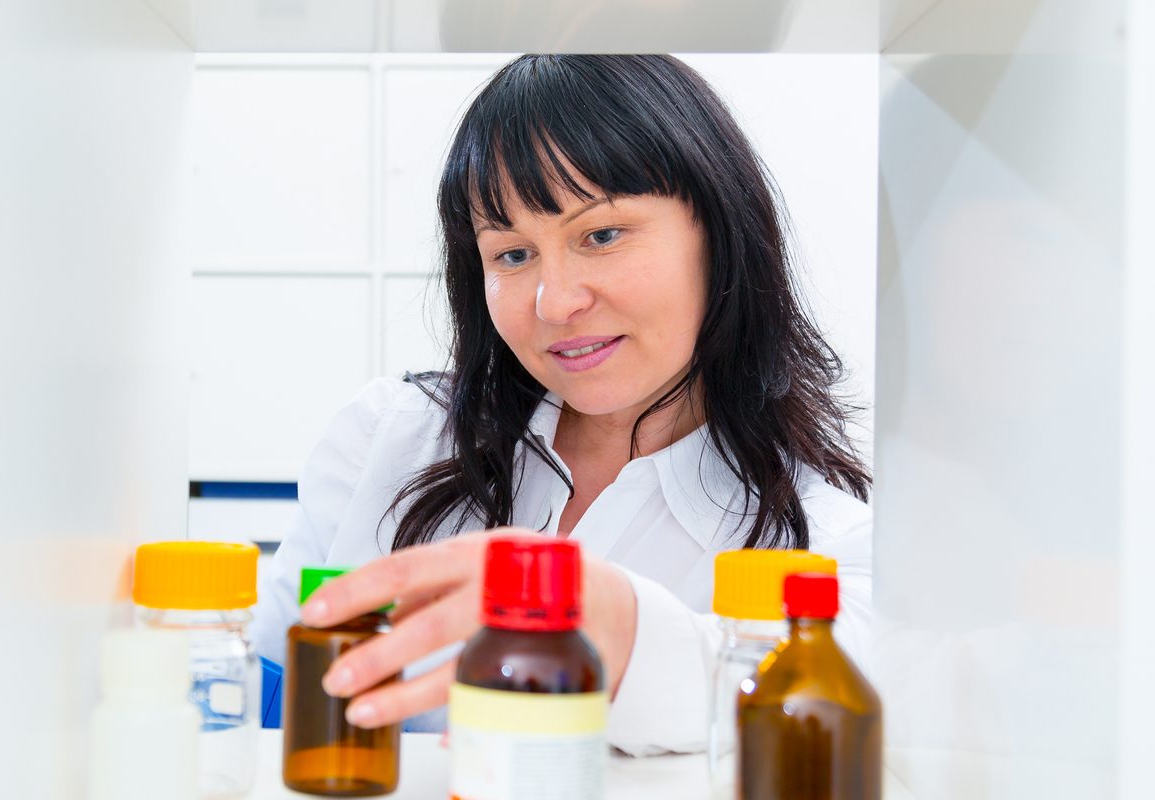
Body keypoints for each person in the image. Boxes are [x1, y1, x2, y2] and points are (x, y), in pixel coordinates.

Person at [251, 53, 872, 757]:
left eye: (601, 235)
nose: (555, 302)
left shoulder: (829, 540)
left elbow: (818, 705)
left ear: (721, 232)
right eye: (512, 255)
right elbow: (260, 706)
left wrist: (615, 624)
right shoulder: (387, 439)